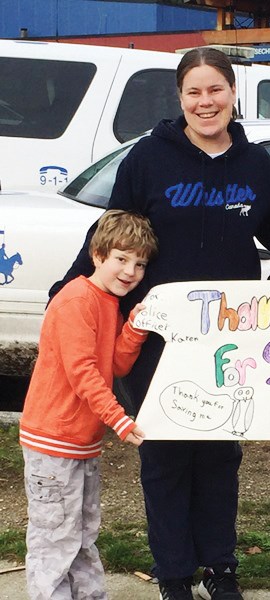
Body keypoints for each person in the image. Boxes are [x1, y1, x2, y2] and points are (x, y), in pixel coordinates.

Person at [49, 47, 270, 600]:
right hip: (155, 337)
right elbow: (111, 237)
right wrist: (68, 292)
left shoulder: (253, 166)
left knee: (219, 457)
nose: (206, 102)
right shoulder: (148, 159)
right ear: (180, 99)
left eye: (215, 90)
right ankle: (175, 574)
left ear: (232, 94)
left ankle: (220, 569)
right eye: (193, 92)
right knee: (165, 457)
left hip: (231, 337)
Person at [20, 209, 158, 600]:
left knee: (82, 533)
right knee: (54, 538)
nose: (130, 271)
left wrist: (134, 328)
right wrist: (119, 418)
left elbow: (113, 363)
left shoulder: (106, 302)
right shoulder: (75, 300)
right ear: (97, 255)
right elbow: (83, 372)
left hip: (81, 441)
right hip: (52, 441)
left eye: (140, 264)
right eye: (121, 258)